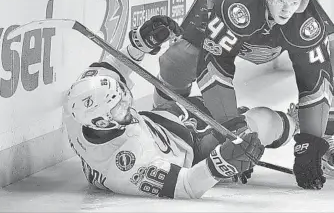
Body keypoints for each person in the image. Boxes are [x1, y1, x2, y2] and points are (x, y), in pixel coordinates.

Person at [154, 0, 334, 189]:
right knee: (177, 60)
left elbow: (315, 76)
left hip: (267, 8)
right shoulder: (236, 3)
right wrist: (233, 134)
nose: (286, 9)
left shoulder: (302, 13)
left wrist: (311, 144)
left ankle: (329, 134)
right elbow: (215, 67)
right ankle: (163, 120)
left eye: (294, 1)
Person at [63, 15, 303, 199]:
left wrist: (141, 43)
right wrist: (220, 164)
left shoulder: (83, 102)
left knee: (178, 66)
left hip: (165, 119)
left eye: (124, 95)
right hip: (195, 150)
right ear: (103, 123)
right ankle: (295, 124)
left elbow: (118, 65)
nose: (127, 103)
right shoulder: (126, 168)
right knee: (258, 121)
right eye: (119, 109)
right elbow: (187, 185)